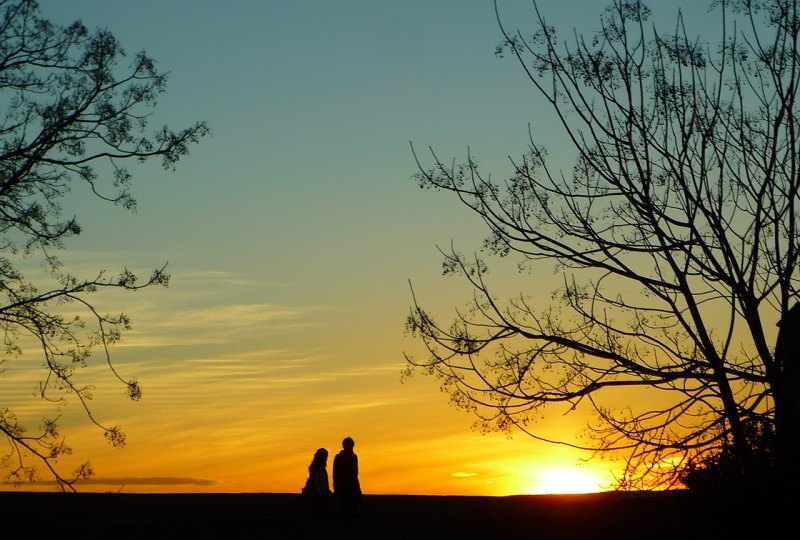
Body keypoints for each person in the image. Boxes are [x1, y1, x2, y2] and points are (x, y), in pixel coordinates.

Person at [332, 436, 363, 515]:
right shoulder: (353, 457)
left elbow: (335, 473)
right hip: (349, 486)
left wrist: (336, 486)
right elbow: (355, 473)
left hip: (341, 486)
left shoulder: (338, 457)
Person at [302, 447, 331, 515]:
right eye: (325, 457)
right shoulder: (321, 469)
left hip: (315, 494)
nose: (326, 459)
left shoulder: (314, 468)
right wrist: (328, 492)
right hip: (319, 496)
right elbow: (322, 484)